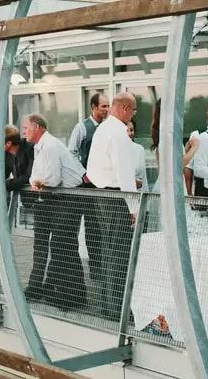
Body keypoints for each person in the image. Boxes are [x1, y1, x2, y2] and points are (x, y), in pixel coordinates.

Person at [22, 113, 87, 310]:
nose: (24, 131)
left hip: (70, 197)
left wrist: (38, 183)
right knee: (63, 246)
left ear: (38, 127)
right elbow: (35, 177)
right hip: (59, 198)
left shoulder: (49, 146)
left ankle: (71, 295)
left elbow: (50, 179)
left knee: (63, 245)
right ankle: (64, 293)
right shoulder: (40, 146)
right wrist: (37, 182)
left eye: (26, 127)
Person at [87, 92, 139, 320]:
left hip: (101, 195)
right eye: (134, 110)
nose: (133, 115)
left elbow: (91, 169)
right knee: (120, 255)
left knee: (108, 252)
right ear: (126, 109)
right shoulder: (119, 134)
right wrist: (134, 207)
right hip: (117, 198)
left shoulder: (102, 129)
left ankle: (109, 307)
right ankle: (119, 309)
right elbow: (124, 174)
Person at [66, 93, 107, 279]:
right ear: (94, 107)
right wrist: (83, 173)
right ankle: (95, 269)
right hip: (87, 184)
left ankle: (102, 266)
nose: (106, 110)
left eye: (108, 106)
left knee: (100, 226)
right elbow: (71, 152)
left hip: (103, 183)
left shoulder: (108, 127)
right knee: (91, 226)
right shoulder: (82, 127)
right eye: (103, 107)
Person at [150, 98, 200, 194]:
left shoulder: (166, 132)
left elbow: (169, 161)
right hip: (170, 190)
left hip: (168, 186)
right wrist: (194, 148)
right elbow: (176, 166)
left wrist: (185, 149)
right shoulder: (168, 135)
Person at [3, 125, 31, 191]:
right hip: (22, 196)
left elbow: (28, 176)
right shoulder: (6, 153)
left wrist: (7, 184)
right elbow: (4, 174)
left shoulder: (30, 148)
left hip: (38, 196)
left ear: (8, 143)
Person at [126, 119, 146, 189]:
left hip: (138, 194)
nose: (129, 133)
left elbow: (144, 177)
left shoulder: (140, 149)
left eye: (131, 130)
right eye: (126, 130)